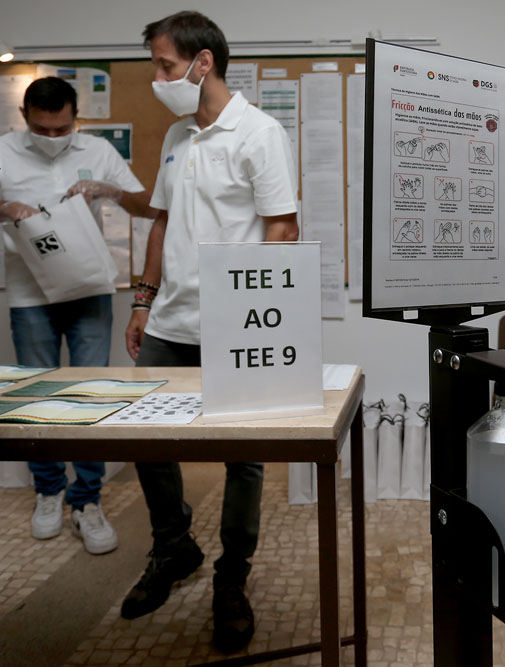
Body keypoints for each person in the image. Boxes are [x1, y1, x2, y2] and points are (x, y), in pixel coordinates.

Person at [120, 11, 298, 654]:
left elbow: (282, 228)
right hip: (171, 319)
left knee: (242, 455)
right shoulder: (176, 134)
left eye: (165, 65)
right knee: (145, 436)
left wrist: (260, 318)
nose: (157, 78)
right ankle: (173, 547)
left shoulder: (260, 132)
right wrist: (143, 300)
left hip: (235, 323)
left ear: (203, 63)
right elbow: (162, 223)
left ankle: (232, 576)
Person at [0, 76, 154, 555]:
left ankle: (87, 499)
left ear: (76, 118)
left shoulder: (98, 150)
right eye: (42, 130)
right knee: (37, 395)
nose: (52, 138)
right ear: (24, 117)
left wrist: (106, 189)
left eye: (61, 129)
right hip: (28, 292)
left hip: (89, 289)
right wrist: (4, 207)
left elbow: (147, 205)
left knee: (89, 394)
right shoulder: (3, 151)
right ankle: (49, 491)